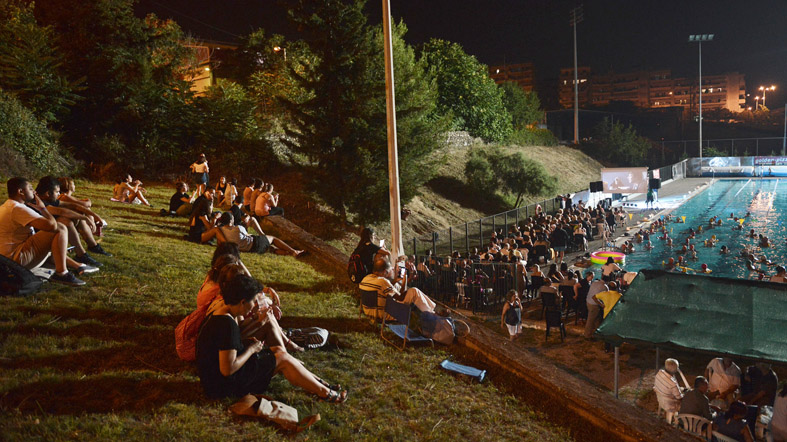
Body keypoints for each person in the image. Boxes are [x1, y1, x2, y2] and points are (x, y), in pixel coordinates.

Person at [195, 273, 347, 401]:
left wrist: (248, 344)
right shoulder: (226, 325)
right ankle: (325, 393)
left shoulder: (221, 314)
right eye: (254, 301)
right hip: (223, 388)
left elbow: (223, 350)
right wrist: (251, 350)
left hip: (215, 382)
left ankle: (317, 383)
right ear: (242, 301)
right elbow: (227, 370)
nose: (255, 305)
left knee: (279, 354)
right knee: (281, 358)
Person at [0, 177, 85, 286]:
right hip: (15, 262)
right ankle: (62, 274)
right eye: (30, 188)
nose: (34, 191)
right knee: (60, 228)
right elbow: (52, 226)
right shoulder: (17, 208)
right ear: (21, 191)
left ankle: (77, 265)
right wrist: (42, 209)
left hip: (6, 260)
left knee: (56, 244)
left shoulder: (7, 205)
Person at [35, 176, 110, 267]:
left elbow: (73, 206)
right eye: (57, 192)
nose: (59, 194)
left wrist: (95, 216)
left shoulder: (47, 198)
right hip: (36, 237)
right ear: (47, 193)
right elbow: (61, 211)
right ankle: (81, 255)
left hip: (48, 230)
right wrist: (86, 218)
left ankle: (93, 246)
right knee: (65, 221)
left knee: (75, 216)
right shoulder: (37, 202)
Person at [359, 258, 436, 318]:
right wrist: (404, 281)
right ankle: (432, 315)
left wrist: (395, 280)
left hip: (369, 312)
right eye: (390, 270)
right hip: (384, 315)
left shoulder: (365, 278)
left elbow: (384, 290)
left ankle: (432, 312)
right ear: (385, 272)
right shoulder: (382, 281)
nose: (392, 271)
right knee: (414, 291)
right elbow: (400, 298)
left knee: (411, 291)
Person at [204, 212, 304, 257]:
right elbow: (247, 234)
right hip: (254, 244)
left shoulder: (221, 230)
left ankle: (289, 254)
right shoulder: (238, 228)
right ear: (231, 220)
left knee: (271, 249)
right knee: (272, 239)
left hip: (250, 250)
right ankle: (293, 251)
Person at [584, 272, 607, 339]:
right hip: (594, 304)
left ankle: (599, 333)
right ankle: (587, 335)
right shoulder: (604, 286)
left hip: (588, 301)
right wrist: (601, 305)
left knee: (597, 318)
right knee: (591, 320)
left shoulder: (594, 282)